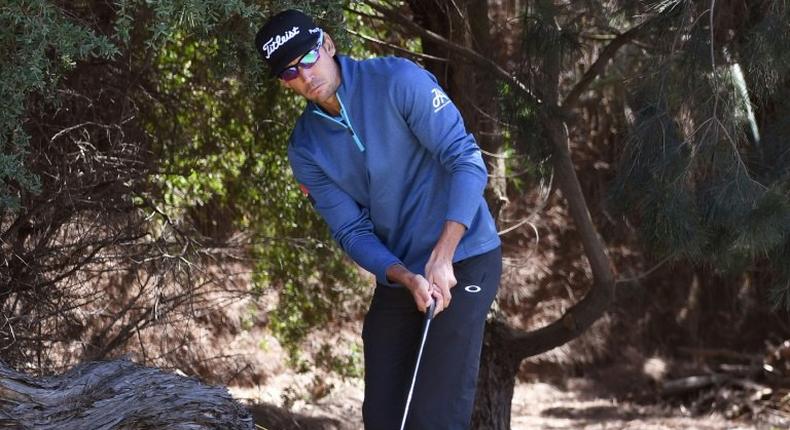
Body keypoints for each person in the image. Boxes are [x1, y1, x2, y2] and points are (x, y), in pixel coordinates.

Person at [255, 9, 502, 429]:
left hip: (464, 257)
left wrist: (443, 257)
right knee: (384, 418)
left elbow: (467, 160)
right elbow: (351, 230)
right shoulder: (305, 149)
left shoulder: (397, 81)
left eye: (308, 58)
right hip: (401, 276)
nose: (305, 76)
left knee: (433, 416)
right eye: (290, 72)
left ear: (328, 44)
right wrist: (405, 277)